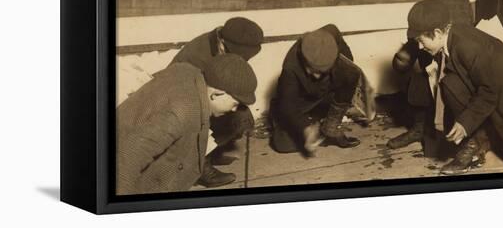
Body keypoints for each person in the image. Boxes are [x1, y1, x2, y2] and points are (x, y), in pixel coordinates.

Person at [398, 0, 503, 175]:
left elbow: (490, 90)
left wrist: (466, 123)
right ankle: (476, 138)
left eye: (421, 40)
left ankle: (477, 143)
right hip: (490, 86)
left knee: (451, 85)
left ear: (438, 32)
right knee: (447, 82)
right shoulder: (449, 38)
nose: (419, 45)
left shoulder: (468, 47)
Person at [117, 54, 257, 195]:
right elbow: (127, 158)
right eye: (235, 104)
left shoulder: (188, 71)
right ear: (216, 94)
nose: (234, 110)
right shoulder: (183, 111)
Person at [169, 17, 264, 187]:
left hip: (207, 98)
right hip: (184, 103)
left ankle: (213, 151)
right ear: (224, 43)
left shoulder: (226, 46)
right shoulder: (197, 57)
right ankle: (199, 167)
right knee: (204, 118)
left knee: (242, 117)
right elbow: (192, 106)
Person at [270, 24, 362, 155]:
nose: (316, 75)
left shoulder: (331, 34)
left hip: (326, 91)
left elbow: (349, 62)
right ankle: (282, 114)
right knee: (282, 143)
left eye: (322, 70)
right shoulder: (290, 69)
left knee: (350, 72)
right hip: (303, 99)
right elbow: (288, 105)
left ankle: (330, 127)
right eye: (313, 70)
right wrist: (306, 129)